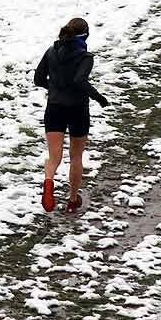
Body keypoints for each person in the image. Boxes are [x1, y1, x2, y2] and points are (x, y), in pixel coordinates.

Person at [32, 17, 109, 213]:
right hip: (77, 109)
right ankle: (73, 199)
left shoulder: (51, 51)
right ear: (85, 36)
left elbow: (38, 78)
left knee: (54, 156)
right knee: (76, 156)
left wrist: (55, 88)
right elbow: (79, 81)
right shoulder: (85, 57)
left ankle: (49, 183)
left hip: (54, 107)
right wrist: (99, 98)